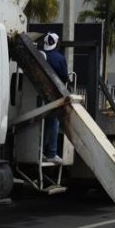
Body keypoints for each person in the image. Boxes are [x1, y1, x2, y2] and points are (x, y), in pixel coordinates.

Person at [42, 33, 67, 164]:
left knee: (43, 124)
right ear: (56, 43)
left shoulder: (40, 55)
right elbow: (64, 77)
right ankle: (51, 152)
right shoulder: (60, 58)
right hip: (54, 96)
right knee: (54, 123)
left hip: (39, 95)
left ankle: (40, 151)